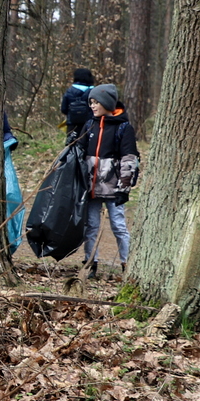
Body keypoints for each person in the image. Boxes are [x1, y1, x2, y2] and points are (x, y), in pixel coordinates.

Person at [76, 83, 139, 278]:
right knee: (91, 226)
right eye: (91, 103)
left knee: (119, 226)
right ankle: (90, 263)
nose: (92, 106)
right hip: (91, 188)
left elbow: (129, 159)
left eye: (96, 103)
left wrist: (124, 188)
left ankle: (126, 264)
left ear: (107, 103)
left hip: (113, 188)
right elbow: (80, 154)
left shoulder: (123, 127)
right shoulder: (89, 125)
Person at [60, 67, 96, 140]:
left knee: (72, 146)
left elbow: (64, 109)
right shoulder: (94, 91)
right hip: (90, 124)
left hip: (73, 125)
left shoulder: (69, 91)